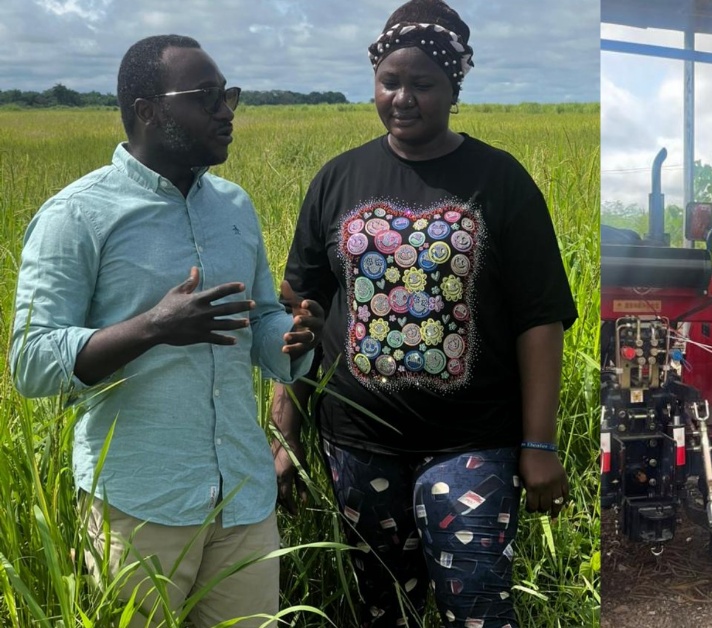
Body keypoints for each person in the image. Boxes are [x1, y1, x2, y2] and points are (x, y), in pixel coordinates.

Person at [270, 0, 577, 625]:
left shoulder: (501, 180)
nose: (403, 98)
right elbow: (298, 310)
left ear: (454, 87)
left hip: (472, 442)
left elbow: (539, 319)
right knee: (383, 605)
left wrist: (539, 443)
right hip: (357, 441)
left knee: (478, 606)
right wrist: (285, 433)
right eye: (390, 81)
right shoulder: (339, 178)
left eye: (423, 84)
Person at [8, 34, 323, 628]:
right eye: (207, 97)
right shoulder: (76, 216)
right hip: (138, 503)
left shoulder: (234, 205)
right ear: (148, 110)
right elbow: (30, 361)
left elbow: (256, 321)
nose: (227, 110)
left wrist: (293, 338)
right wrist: (152, 327)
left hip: (243, 498)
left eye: (228, 94)